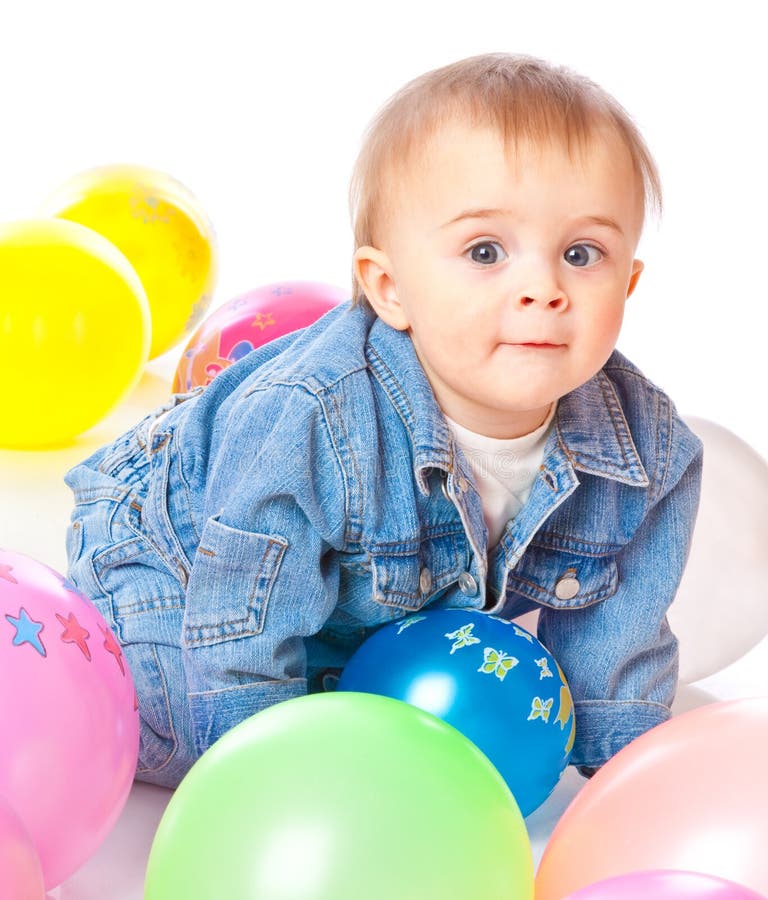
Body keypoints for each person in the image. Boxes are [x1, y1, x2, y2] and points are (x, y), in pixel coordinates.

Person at [64, 53, 702, 790]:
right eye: (486, 251)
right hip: (177, 553)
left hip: (341, 613)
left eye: (582, 254)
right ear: (389, 288)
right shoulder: (314, 421)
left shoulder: (649, 449)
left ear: (629, 280)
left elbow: (615, 646)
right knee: (171, 725)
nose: (543, 288)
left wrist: (629, 778)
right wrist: (261, 776)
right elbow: (242, 623)